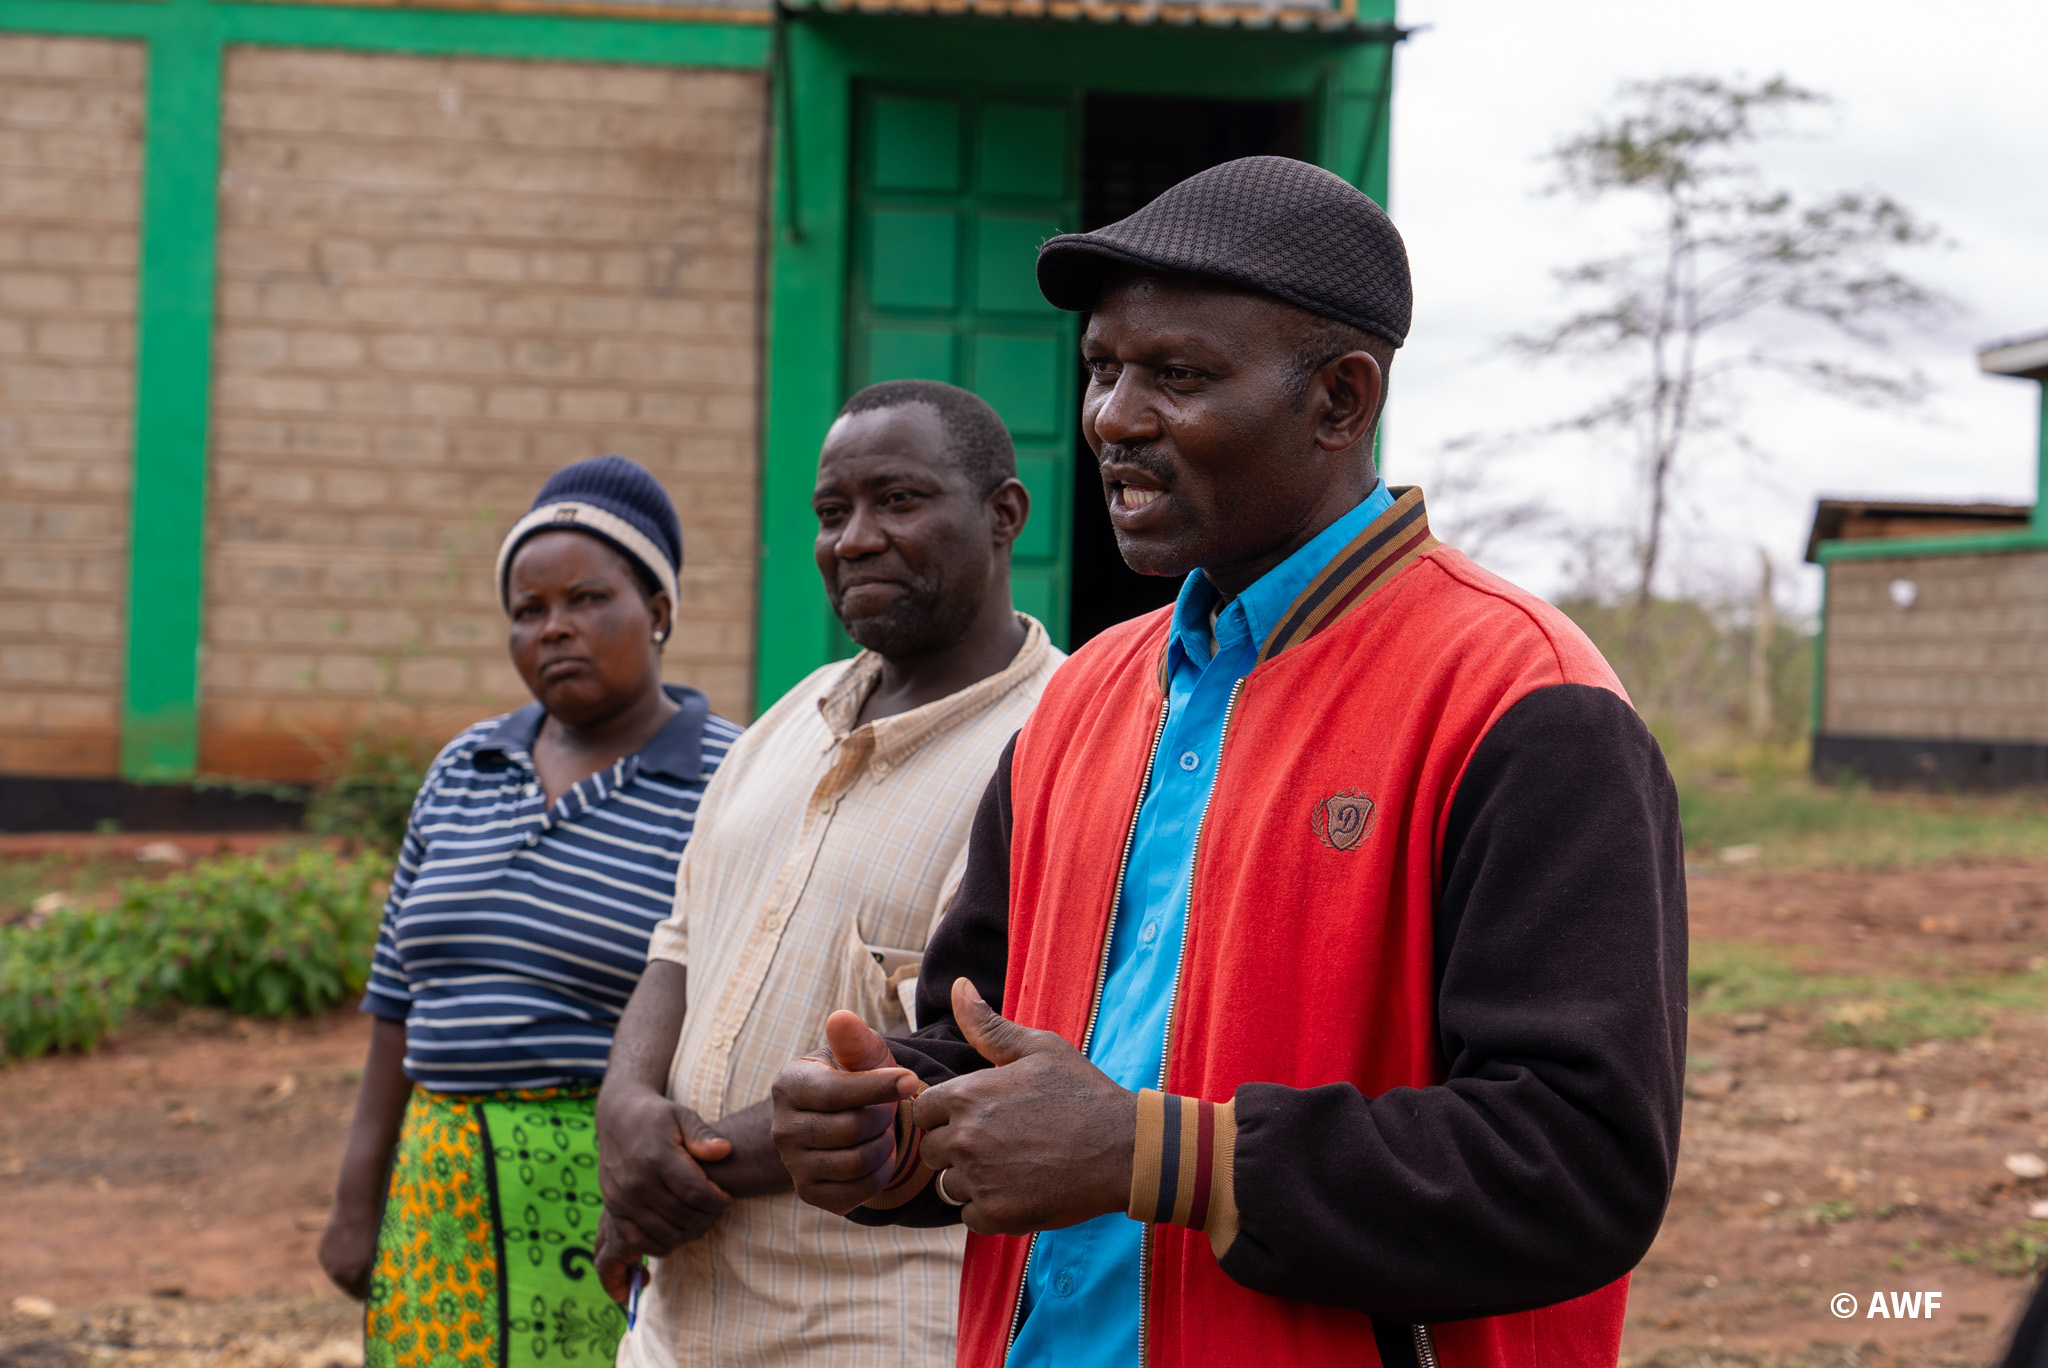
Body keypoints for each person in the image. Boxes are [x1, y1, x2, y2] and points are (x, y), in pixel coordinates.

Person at [770, 157, 1688, 1368]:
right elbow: (977, 1038)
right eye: (1101, 367)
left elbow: (1576, 1164)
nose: (1111, 417)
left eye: (1178, 375)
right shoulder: (1083, 699)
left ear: (1339, 400)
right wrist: (888, 1124)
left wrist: (1160, 1157)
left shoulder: (1518, 701)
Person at [593, 380, 1065, 1367]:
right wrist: (625, 1107)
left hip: (869, 1327)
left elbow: (970, 1060)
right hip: (674, 1327)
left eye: (897, 501)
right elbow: (679, 943)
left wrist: (671, 1172)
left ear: (1004, 514)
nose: (853, 539)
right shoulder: (786, 721)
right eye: (830, 511)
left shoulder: (1058, 749)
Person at [317, 455, 742, 1368]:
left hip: (611, 1194)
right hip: (438, 1189)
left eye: (588, 600)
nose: (555, 628)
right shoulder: (463, 767)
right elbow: (395, 1001)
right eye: (528, 610)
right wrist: (357, 1200)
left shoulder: (732, 780)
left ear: (658, 610)